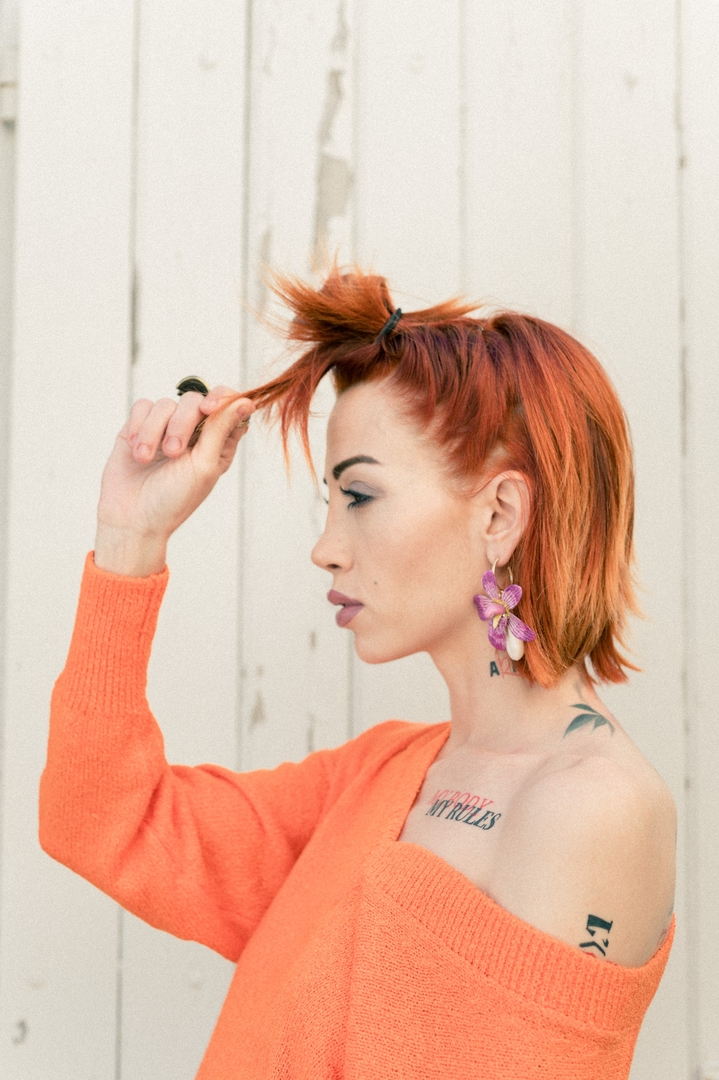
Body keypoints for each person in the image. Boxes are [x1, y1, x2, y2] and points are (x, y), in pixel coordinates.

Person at [40, 270, 676, 1079]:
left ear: (499, 515)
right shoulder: (382, 773)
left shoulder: (591, 809)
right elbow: (100, 820)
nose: (326, 548)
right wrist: (130, 538)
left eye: (361, 495)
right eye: (331, 502)